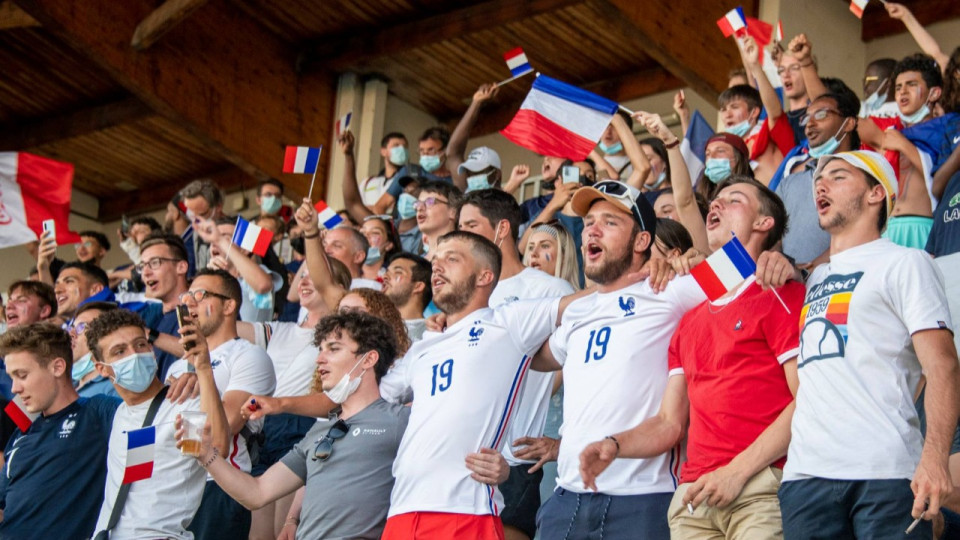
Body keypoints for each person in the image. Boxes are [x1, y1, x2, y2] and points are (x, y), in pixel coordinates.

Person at [580, 176, 803, 539]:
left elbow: (808, 401)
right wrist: (615, 445)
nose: (715, 205)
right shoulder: (688, 320)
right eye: (714, 200)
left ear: (765, 223)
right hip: (693, 498)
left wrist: (737, 471)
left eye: (733, 200)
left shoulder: (779, 292)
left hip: (760, 485)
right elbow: (670, 423)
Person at [779, 151, 960, 538]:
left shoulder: (906, 263)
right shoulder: (807, 279)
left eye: (838, 177)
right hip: (804, 478)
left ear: (877, 192)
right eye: (818, 179)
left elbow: (942, 365)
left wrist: (935, 458)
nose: (820, 185)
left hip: (885, 472)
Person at [530, 180, 705, 539]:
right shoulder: (578, 310)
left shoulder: (667, 290)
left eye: (610, 221)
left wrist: (694, 260)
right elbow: (531, 357)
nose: (592, 228)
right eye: (589, 221)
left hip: (642, 497)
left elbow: (745, 267)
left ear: (642, 241)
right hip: (566, 498)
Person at [379, 231, 563, 540]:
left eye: (451, 259)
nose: (437, 267)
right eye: (435, 260)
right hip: (401, 511)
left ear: (485, 276)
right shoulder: (425, 344)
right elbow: (370, 400)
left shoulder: (508, 321)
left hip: (465, 511)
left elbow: (592, 302)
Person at [179, 311, 413, 540]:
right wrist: (206, 455)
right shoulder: (318, 432)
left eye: (333, 349)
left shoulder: (400, 420)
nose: (319, 359)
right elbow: (257, 493)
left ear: (369, 359)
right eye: (320, 350)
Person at [457, 189, 575, 540]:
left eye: (471, 225)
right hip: (464, 455)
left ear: (501, 229)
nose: (462, 234)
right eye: (459, 226)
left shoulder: (550, 287)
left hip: (514, 456)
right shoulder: (467, 295)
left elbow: (566, 361)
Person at [86, 309, 229, 539]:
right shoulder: (122, 412)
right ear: (101, 368)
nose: (134, 355)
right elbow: (140, 481)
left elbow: (217, 450)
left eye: (140, 344)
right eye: (119, 352)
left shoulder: (183, 404)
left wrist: (202, 370)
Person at [165, 269, 277, 539]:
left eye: (201, 295)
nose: (190, 302)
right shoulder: (178, 365)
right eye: (187, 296)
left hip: (218, 483)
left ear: (229, 305)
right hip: (173, 487)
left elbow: (222, 432)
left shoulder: (249, 355)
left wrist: (204, 373)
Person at [0, 323, 119, 540]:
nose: (14, 388)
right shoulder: (21, 434)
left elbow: (146, 410)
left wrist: (194, 379)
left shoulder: (97, 412)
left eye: (22, 375)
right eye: (11, 377)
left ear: (57, 367)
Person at [776, 86, 861, 267]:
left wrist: (809, 270)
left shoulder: (864, 177)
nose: (810, 125)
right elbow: (771, 236)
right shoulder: (789, 182)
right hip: (789, 287)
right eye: (806, 118)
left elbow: (862, 233)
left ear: (849, 123)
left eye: (821, 115)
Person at [724, 36, 796, 185]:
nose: (727, 114)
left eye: (735, 106)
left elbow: (775, 114)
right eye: (723, 109)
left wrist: (754, 66)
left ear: (755, 111)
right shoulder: (729, 150)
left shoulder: (766, 131)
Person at [197, 217, 285, 322]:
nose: (215, 244)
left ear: (245, 249)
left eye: (225, 238)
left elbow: (263, 285)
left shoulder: (255, 275)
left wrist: (221, 241)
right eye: (212, 240)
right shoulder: (211, 279)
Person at [136, 233, 190, 379]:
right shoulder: (151, 317)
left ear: (181, 266)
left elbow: (209, 353)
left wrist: (148, 335)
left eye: (155, 263)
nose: (146, 273)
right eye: (142, 266)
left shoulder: (201, 307)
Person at [0, 281, 57, 399]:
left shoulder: (60, 347)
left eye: (21, 300)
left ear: (44, 311)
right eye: (9, 300)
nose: (9, 306)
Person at [69, 301, 120, 398]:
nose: (71, 333)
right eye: (71, 328)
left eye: (82, 326)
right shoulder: (65, 387)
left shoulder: (114, 388)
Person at [380, 252, 432, 342]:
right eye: (386, 272)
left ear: (418, 286)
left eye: (398, 272)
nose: (385, 276)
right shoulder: (373, 327)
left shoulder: (429, 336)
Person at [180, 179, 226, 271]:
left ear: (218, 207)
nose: (197, 222)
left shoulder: (245, 228)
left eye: (202, 215)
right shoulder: (187, 238)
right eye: (192, 216)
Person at [522, 222, 581, 292]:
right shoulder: (517, 296)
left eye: (545, 246)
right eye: (531, 247)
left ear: (564, 256)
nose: (534, 253)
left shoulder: (576, 300)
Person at [415, 180, 463, 257]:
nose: (420, 208)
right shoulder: (418, 263)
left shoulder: (464, 256)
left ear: (453, 211)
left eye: (429, 202)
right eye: (417, 204)